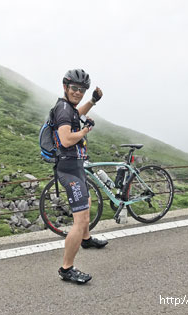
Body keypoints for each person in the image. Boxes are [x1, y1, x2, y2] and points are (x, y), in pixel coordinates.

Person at [53, 69, 108, 284]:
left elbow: (78, 113)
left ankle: (85, 239)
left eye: (82, 90)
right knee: (81, 219)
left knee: (87, 201)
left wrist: (93, 101)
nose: (78, 92)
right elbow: (66, 140)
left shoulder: (69, 108)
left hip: (76, 167)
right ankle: (66, 268)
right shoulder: (63, 110)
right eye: (74, 88)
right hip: (69, 170)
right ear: (65, 87)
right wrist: (84, 132)